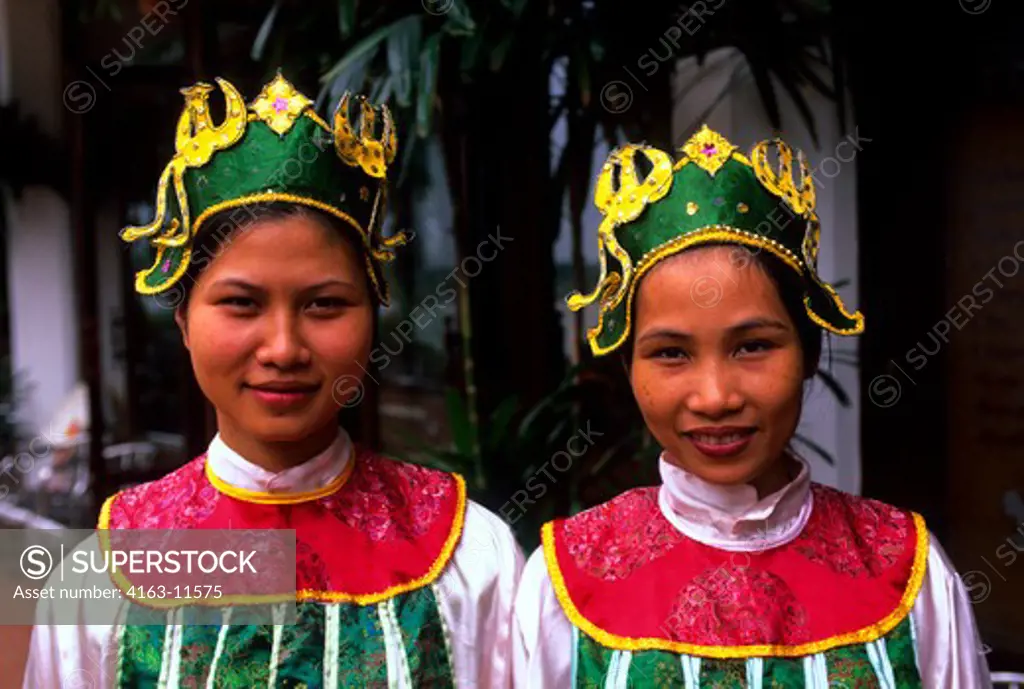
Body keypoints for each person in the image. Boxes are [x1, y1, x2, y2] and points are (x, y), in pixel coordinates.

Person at [23, 73, 523, 688]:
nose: (283, 348)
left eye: (324, 305)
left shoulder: (470, 556)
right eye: (240, 303)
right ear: (182, 319)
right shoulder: (102, 573)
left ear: (373, 317)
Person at [511, 125, 992, 686]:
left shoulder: (907, 572)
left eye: (754, 346)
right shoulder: (565, 582)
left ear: (811, 350)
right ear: (627, 366)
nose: (716, 397)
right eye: (670, 353)